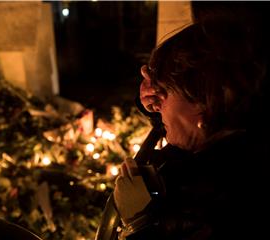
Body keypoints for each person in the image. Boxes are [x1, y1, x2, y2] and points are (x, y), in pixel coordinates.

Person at [113, 20, 269, 239]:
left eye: (165, 90)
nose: (156, 105)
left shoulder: (226, 197)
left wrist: (140, 223)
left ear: (204, 101)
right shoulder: (220, 146)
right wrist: (151, 104)